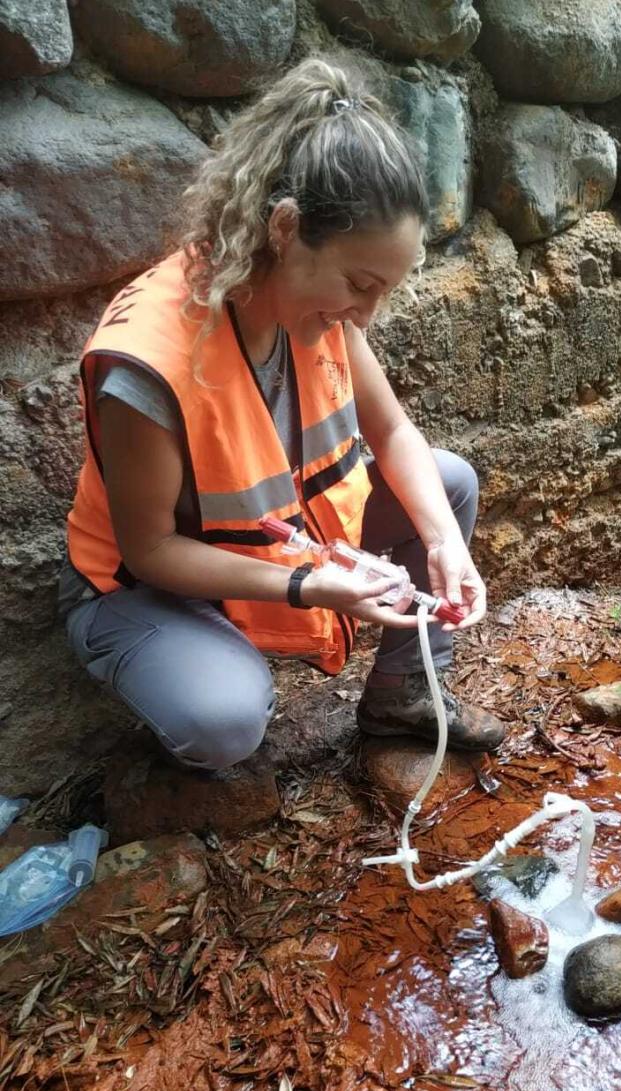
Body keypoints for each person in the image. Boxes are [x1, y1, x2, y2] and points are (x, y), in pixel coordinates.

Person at [59, 57, 505, 774]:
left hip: (271, 543)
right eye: (360, 285)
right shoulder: (145, 365)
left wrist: (442, 541)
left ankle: (401, 697)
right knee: (223, 720)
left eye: (382, 291)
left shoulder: (319, 313)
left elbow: (392, 431)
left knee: (446, 486)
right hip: (145, 586)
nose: (365, 315)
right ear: (286, 229)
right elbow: (149, 552)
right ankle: (187, 668)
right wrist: (308, 586)